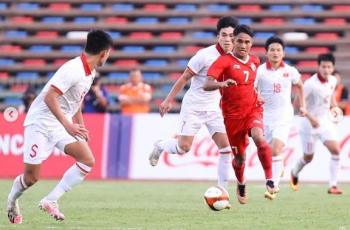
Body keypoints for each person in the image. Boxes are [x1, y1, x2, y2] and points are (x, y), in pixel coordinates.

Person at [6, 30, 113, 224]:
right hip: (40, 122)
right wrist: (68, 125)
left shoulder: (90, 72)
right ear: (104, 53)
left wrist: (80, 125)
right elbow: (49, 97)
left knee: (87, 160)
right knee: (31, 178)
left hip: (60, 122)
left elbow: (75, 100)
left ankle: (50, 200)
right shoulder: (73, 69)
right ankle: (12, 201)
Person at [148, 16, 238, 192]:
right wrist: (168, 100)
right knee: (183, 149)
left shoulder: (235, 58)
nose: (228, 39)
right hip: (194, 108)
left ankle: (222, 190)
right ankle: (160, 144)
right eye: (224, 35)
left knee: (226, 149)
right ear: (218, 36)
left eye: (231, 36)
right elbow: (184, 78)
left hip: (214, 109)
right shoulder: (204, 55)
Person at [203, 24, 276, 204]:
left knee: (259, 137)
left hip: (253, 109)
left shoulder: (255, 61)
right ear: (233, 41)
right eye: (240, 41)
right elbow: (206, 84)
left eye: (247, 42)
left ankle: (270, 179)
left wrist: (257, 93)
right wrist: (222, 84)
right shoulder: (223, 61)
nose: (243, 45)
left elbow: (251, 83)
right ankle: (241, 182)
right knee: (239, 158)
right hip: (232, 117)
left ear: (251, 44)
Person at [255, 36, 306, 192]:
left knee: (276, 149)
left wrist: (302, 105)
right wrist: (256, 96)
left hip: (283, 115)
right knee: (270, 152)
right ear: (267, 52)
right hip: (264, 116)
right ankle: (279, 168)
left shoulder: (290, 71)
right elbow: (251, 89)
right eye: (272, 50)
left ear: (283, 53)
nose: (275, 53)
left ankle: (273, 185)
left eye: (278, 50)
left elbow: (300, 85)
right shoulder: (260, 71)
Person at [290, 53, 343, 195]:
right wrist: (308, 116)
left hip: (324, 122)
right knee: (308, 157)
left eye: (329, 67)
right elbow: (296, 104)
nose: (326, 69)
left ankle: (333, 185)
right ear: (318, 67)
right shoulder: (310, 85)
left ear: (333, 68)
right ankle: (294, 172)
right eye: (323, 66)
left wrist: (335, 108)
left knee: (336, 150)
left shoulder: (332, 80)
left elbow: (330, 96)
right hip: (308, 126)